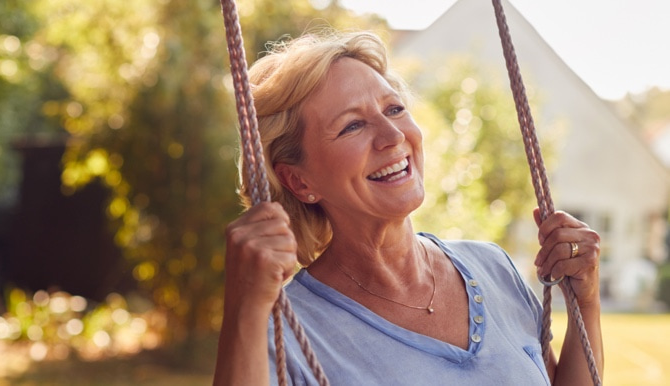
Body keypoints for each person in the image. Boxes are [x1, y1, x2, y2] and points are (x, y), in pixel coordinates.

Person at [213, 30, 603, 385]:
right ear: (300, 181)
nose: (392, 135)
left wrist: (585, 301)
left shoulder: (494, 269)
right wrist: (243, 308)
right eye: (352, 126)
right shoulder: (287, 333)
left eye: (394, 109)